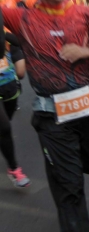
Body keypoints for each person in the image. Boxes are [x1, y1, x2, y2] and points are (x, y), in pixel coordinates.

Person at [1, 0, 89, 231]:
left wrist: (87, 51)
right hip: (51, 117)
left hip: (88, 107)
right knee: (70, 184)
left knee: (87, 165)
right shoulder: (22, 17)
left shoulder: (84, 13)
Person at [0, 31, 30, 187]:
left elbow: (18, 41)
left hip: (8, 85)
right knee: (4, 127)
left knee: (5, 124)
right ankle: (13, 168)